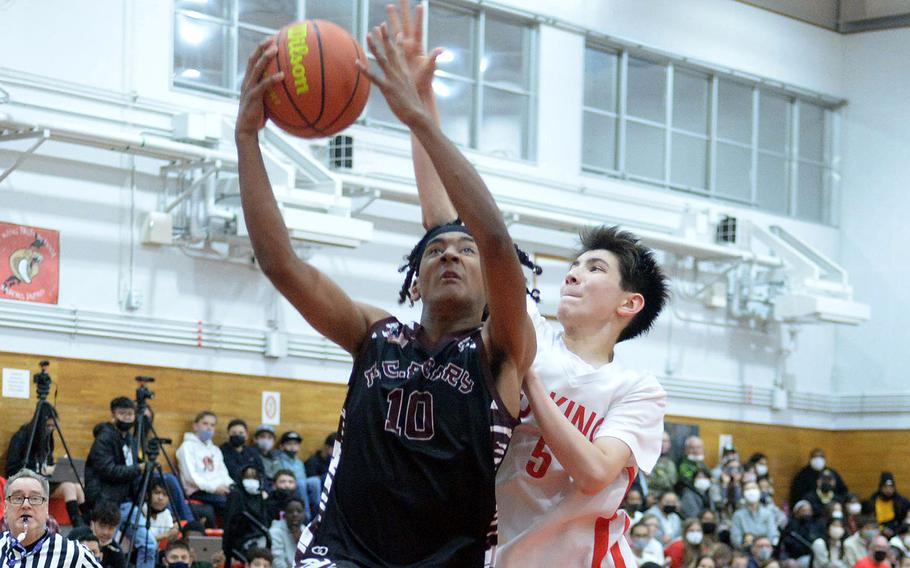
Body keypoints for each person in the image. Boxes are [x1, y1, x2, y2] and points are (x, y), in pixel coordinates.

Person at [402, 0, 670, 559]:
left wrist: (528, 381)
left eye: (596, 268)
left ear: (628, 304)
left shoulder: (636, 390)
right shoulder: (530, 332)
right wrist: (418, 106)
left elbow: (595, 473)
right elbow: (444, 225)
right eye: (575, 264)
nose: (575, 272)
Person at [84, 397, 157, 568]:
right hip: (105, 501)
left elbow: (132, 464)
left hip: (127, 501)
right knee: (103, 547)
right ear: (113, 415)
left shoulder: (131, 440)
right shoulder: (104, 439)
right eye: (122, 413)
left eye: (130, 414)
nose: (126, 418)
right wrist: (138, 469)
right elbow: (107, 469)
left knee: (149, 544)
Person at [0, 468, 101, 568]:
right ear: (5, 508)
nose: (26, 504)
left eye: (35, 498)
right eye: (18, 498)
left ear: (46, 509)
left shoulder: (74, 554)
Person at [5, 405, 87, 527]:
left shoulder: (48, 437)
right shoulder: (21, 436)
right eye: (48, 426)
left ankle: (88, 521)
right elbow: (12, 469)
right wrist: (41, 469)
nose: (50, 429)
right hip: (28, 480)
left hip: (45, 479)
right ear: (39, 423)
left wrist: (59, 468)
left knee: (77, 485)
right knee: (69, 487)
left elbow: (48, 462)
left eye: (53, 426)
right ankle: (78, 526)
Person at [176, 411, 233, 515]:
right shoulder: (187, 447)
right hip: (196, 491)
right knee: (229, 503)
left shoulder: (215, 450)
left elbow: (223, 473)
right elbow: (191, 477)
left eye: (212, 425)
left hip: (217, 490)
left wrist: (231, 487)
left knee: (238, 498)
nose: (209, 428)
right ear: (195, 426)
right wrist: (214, 488)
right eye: (205, 423)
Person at [223, 465, 269, 565]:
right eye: (247, 477)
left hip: (260, 537)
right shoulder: (236, 495)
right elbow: (229, 525)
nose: (252, 481)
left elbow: (264, 522)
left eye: (254, 478)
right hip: (240, 541)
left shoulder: (259, 496)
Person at [273, 432, 314, 520]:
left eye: (295, 444)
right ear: (282, 446)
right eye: (289, 444)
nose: (292, 447)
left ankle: (318, 514)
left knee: (315, 482)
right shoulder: (277, 460)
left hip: (300, 487)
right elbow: (279, 478)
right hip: (288, 488)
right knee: (301, 484)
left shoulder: (299, 462)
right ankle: (306, 517)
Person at [731, 482, 779, 550]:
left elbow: (773, 534)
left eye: (753, 488)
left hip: (766, 549)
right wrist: (744, 542)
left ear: (759, 491)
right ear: (744, 494)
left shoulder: (768, 513)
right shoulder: (738, 515)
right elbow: (736, 539)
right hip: (746, 551)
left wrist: (757, 540)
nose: (751, 492)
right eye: (747, 489)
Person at [219, 419, 264, 484]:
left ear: (246, 435)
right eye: (234, 433)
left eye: (241, 433)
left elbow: (262, 472)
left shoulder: (253, 452)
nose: (237, 435)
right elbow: (231, 473)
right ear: (228, 434)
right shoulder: (221, 452)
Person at [866, 472, 910, 537]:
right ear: (880, 488)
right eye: (885, 487)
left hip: (897, 530)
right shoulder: (873, 499)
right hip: (878, 529)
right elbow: (869, 518)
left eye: (891, 487)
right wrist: (881, 529)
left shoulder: (900, 500)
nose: (888, 490)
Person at [269, 498, 305, 568]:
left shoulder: (306, 531)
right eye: (291, 511)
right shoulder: (275, 532)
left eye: (299, 511)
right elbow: (277, 563)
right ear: (284, 514)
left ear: (304, 514)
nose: (295, 514)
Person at [144, 479, 180, 544]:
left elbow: (169, 539)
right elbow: (143, 540)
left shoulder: (166, 513)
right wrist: (166, 534)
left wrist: (175, 532)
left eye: (165, 494)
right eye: (157, 493)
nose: (160, 498)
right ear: (147, 495)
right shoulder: (140, 511)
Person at [647, 432, 678, 496]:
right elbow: (646, 482)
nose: (662, 444)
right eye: (660, 441)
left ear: (669, 444)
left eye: (665, 441)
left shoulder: (671, 463)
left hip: (666, 496)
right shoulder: (646, 460)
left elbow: (670, 483)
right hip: (649, 496)